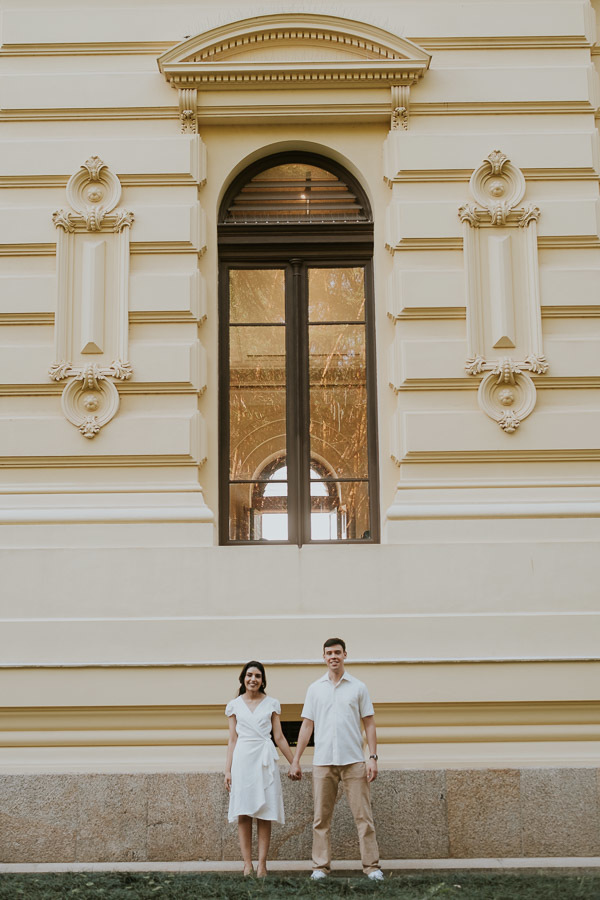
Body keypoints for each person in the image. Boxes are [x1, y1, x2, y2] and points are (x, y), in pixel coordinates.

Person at [288, 638, 384, 882]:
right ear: (323, 657)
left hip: (354, 761)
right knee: (321, 818)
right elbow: (307, 725)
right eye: (329, 653)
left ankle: (372, 867)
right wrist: (296, 759)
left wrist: (372, 757)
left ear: (345, 655)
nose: (333, 656)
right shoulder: (315, 689)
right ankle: (320, 867)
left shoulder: (358, 687)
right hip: (323, 762)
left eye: (337, 652)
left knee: (364, 817)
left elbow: (369, 723)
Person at [224, 660, 295, 878]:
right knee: (244, 813)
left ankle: (262, 864)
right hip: (243, 760)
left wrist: (294, 762)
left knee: (265, 813)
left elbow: (279, 737)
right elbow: (232, 740)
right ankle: (247, 864)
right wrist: (228, 770)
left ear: (262, 680)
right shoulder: (234, 705)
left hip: (264, 760)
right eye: (249, 675)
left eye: (257, 676)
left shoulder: (272, 703)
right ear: (243, 679)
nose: (253, 679)